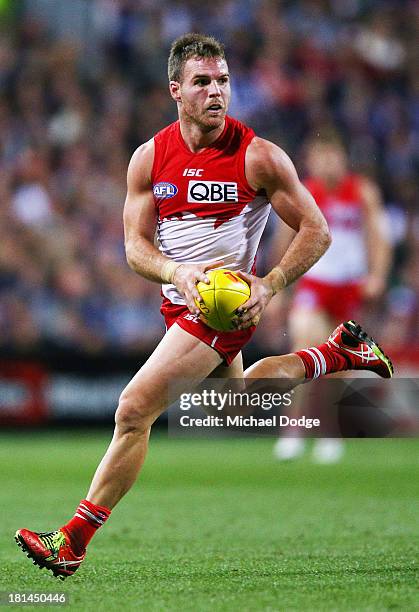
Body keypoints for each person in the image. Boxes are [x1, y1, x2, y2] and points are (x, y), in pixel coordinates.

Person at [15, 33, 393, 579]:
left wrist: (270, 283)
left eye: (223, 81)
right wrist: (175, 271)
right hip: (180, 301)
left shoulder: (258, 156)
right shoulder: (149, 158)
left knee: (132, 409)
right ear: (176, 90)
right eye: (202, 82)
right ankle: (336, 353)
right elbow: (134, 247)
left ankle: (72, 540)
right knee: (236, 401)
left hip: (225, 307)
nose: (216, 91)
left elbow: (318, 229)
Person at [273, 137, 392, 463]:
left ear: (343, 157)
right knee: (304, 351)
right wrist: (278, 289)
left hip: (349, 287)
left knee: (337, 368)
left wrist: (377, 275)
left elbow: (378, 238)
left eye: (332, 156)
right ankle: (293, 430)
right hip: (315, 283)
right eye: (320, 157)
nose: (327, 164)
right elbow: (284, 241)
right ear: (310, 161)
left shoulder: (362, 191)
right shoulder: (303, 193)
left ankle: (328, 430)